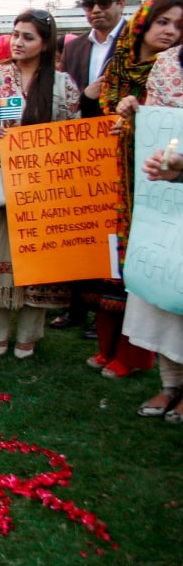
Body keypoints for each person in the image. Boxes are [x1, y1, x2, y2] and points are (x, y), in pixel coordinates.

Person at [89, 0, 183, 378]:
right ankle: (112, 349)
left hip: (156, 180)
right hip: (116, 177)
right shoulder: (130, 67)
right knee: (117, 265)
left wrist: (136, 114)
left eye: (179, 26)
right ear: (144, 23)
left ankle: (135, 355)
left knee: (158, 266)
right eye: (163, 22)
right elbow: (94, 112)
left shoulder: (167, 68)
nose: (170, 31)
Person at [0, 10, 80, 359]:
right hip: (0, 182)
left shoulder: (63, 85)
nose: (18, 42)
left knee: (36, 264)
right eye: (15, 34)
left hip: (43, 188)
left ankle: (28, 335)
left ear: (46, 43)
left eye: (28, 37)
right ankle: (0, 332)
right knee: (0, 257)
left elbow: (74, 138)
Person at [54, 0, 128, 333]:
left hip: (122, 144)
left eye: (105, 2)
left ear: (121, 4)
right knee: (79, 227)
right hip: (81, 148)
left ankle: (111, 312)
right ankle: (76, 308)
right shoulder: (76, 48)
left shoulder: (133, 42)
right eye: (90, 4)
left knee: (113, 231)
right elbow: (72, 99)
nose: (97, 10)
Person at [131, 47, 183, 421]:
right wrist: (137, 114)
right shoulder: (168, 62)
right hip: (164, 191)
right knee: (164, 285)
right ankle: (170, 385)